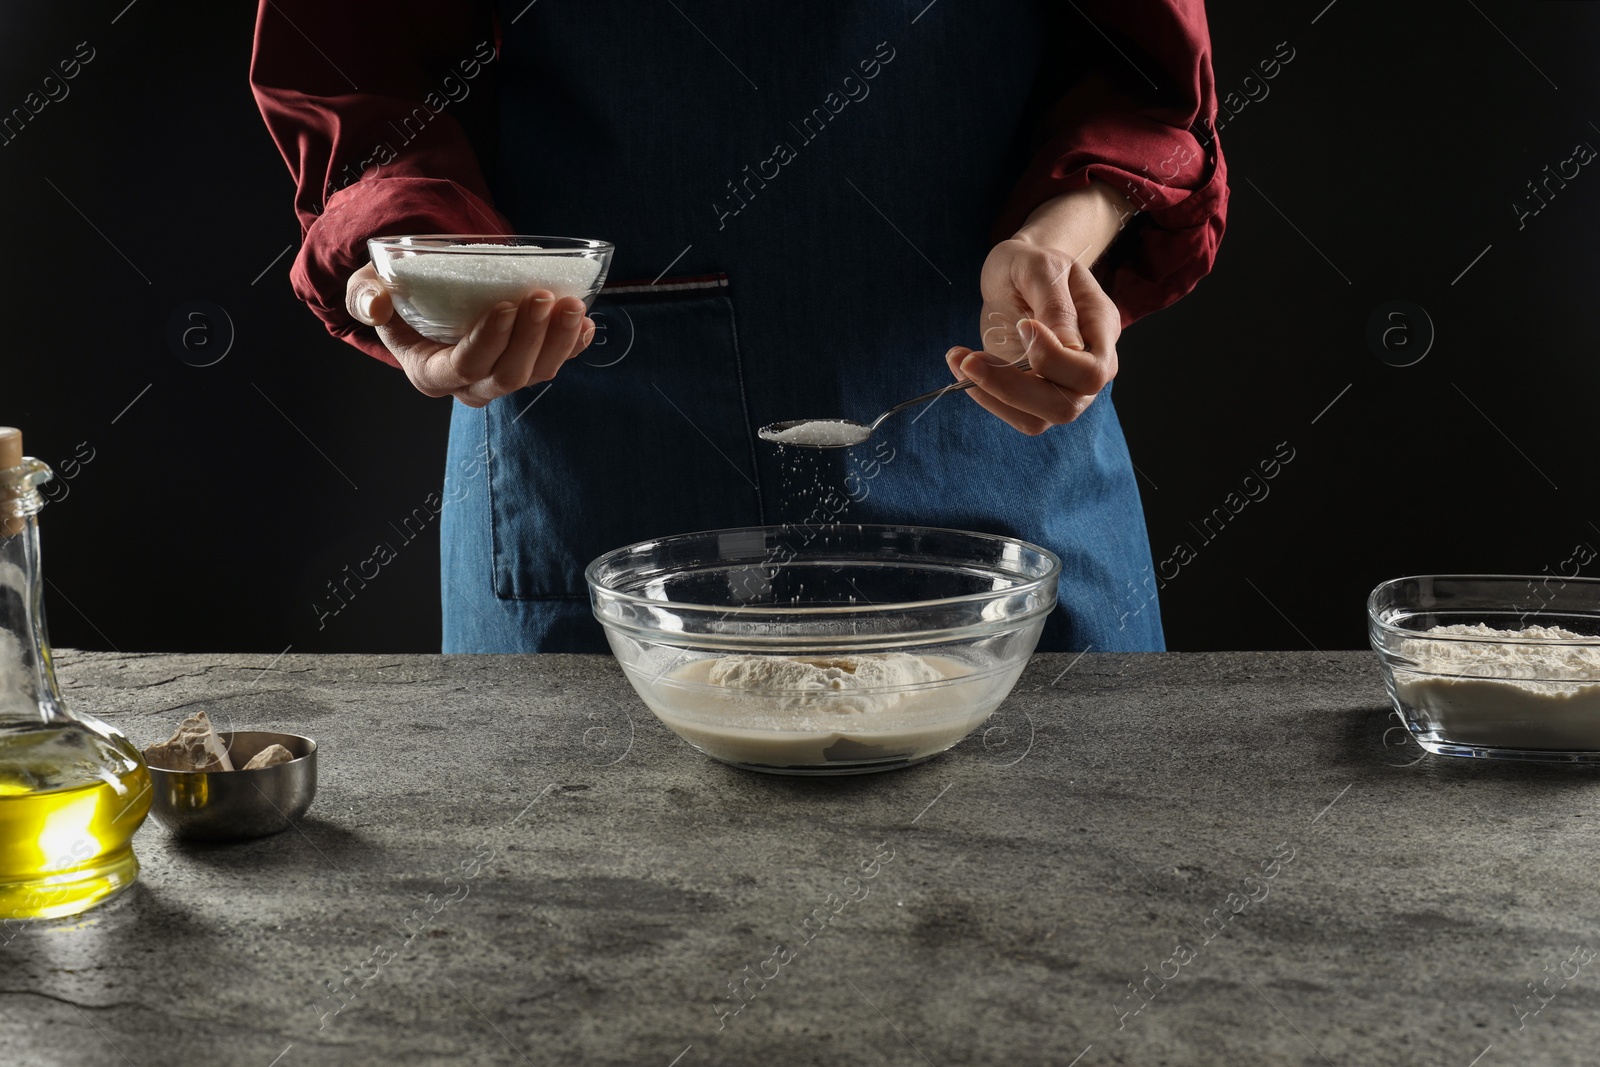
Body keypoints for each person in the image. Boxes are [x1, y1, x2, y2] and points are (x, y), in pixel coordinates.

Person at [251, 1, 1227, 654]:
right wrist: (434, 270)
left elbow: (1141, 77)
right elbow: (352, 65)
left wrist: (1057, 244)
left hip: (1003, 451)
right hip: (601, 468)